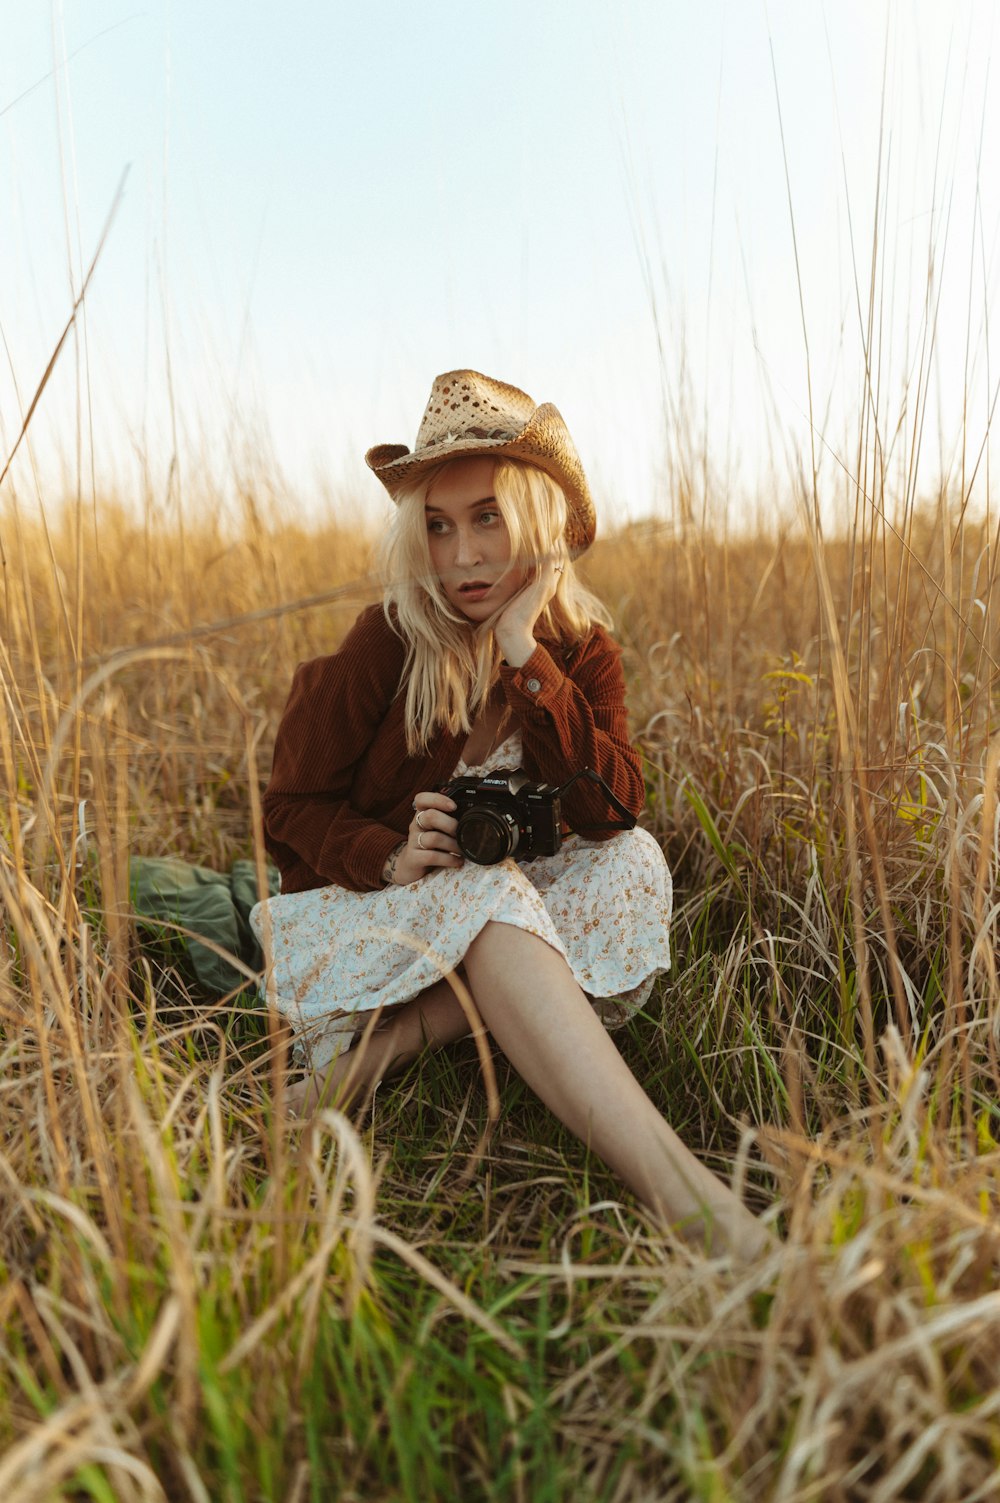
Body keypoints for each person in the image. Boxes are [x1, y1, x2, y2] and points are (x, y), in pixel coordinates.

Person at [251, 369, 769, 1259]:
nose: (462, 557)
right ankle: (700, 1211)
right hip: (367, 916)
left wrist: (529, 656)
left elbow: (613, 810)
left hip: (496, 909)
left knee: (634, 858)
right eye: (441, 526)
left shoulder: (579, 649)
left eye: (487, 516)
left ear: (537, 517)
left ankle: (374, 1058)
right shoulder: (391, 636)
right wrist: (388, 854)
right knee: (489, 894)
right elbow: (289, 806)